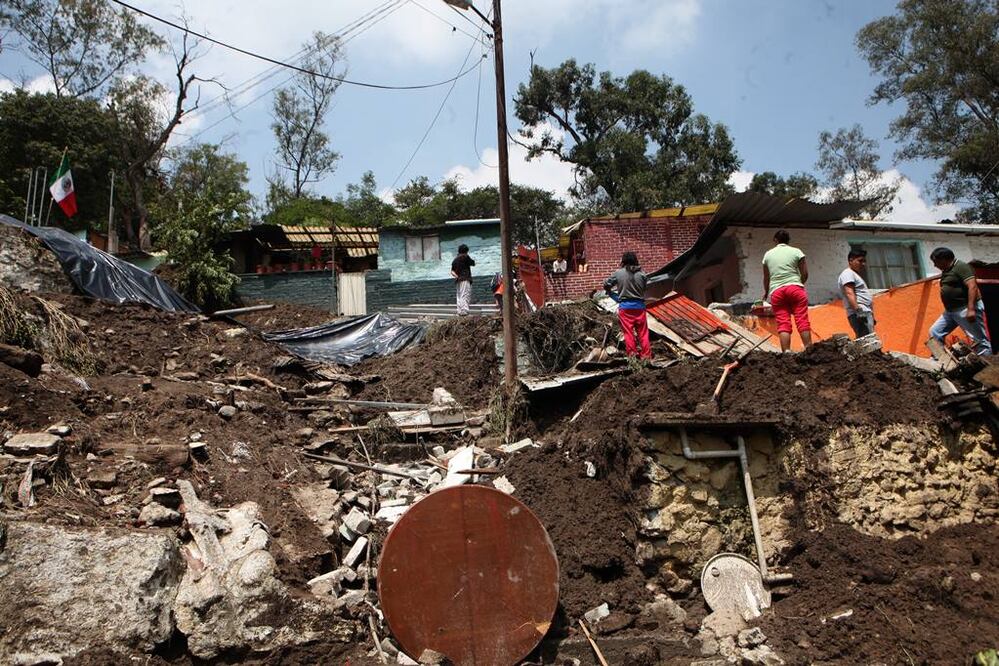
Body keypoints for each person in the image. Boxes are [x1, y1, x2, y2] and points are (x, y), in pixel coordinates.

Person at [928, 247, 992, 356]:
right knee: (935, 332)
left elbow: (972, 286)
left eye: (936, 262)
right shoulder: (947, 271)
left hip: (965, 308)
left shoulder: (961, 267)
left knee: (979, 340)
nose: (935, 265)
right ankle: (941, 359)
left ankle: (989, 368)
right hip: (950, 311)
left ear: (944, 259)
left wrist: (971, 309)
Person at [762, 230, 813, 352]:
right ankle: (809, 349)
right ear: (788, 240)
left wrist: (766, 292)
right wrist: (799, 284)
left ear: (775, 240)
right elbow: (805, 273)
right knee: (802, 319)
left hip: (776, 291)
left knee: (783, 322)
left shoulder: (767, 255)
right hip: (795, 288)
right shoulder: (796, 252)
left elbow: (766, 277)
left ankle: (786, 353)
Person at [604, 251, 652, 359]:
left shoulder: (618, 273)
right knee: (643, 333)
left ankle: (632, 356)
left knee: (628, 333)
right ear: (635, 260)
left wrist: (610, 291)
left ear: (623, 261)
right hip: (640, 307)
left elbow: (606, 284)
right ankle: (646, 356)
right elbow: (645, 288)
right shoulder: (642, 274)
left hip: (625, 308)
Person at [838, 248, 876, 338]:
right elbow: (849, 292)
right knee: (867, 341)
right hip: (859, 313)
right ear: (851, 260)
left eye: (864, 261)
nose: (863, 264)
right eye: (860, 261)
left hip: (864, 312)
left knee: (869, 340)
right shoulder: (847, 273)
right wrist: (858, 311)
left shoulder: (854, 274)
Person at [450, 244, 475, 316]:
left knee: (459, 295)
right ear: (465, 251)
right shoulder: (465, 257)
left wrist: (457, 276)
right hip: (465, 278)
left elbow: (452, 272)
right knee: (465, 294)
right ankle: (464, 311)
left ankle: (459, 311)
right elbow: (473, 263)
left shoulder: (454, 260)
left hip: (458, 280)